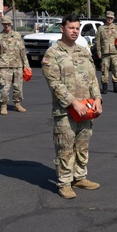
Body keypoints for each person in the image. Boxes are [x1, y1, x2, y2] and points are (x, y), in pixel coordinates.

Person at [42, 14, 102, 200]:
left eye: (77, 28)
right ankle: (65, 183)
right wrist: (73, 102)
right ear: (62, 28)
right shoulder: (52, 54)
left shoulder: (84, 51)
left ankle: (80, 177)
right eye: (71, 28)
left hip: (86, 108)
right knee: (65, 147)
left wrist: (98, 99)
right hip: (66, 111)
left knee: (82, 145)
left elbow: (92, 78)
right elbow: (54, 83)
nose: (75, 31)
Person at [0, 16, 28, 115]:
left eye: (8, 24)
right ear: (2, 24)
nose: (6, 26)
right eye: (4, 24)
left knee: (18, 87)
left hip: (17, 65)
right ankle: (3, 106)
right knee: (4, 88)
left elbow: (22, 51)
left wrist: (26, 65)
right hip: (4, 66)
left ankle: (17, 104)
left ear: (11, 24)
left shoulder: (17, 35)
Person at [95, 10, 117, 93]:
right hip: (105, 53)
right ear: (106, 18)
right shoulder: (101, 29)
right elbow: (98, 41)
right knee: (104, 70)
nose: (109, 19)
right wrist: (98, 52)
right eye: (108, 17)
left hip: (115, 52)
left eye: (111, 18)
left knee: (115, 69)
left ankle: (116, 86)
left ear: (113, 19)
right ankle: (104, 86)